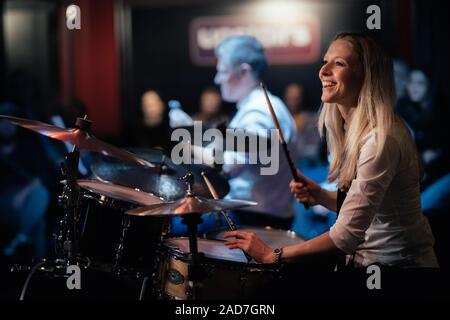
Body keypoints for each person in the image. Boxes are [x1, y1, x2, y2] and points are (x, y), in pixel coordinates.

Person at [224, 33, 439, 269]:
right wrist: (321, 195)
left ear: (366, 76)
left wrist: (271, 254)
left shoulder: (381, 139)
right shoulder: (349, 129)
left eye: (339, 63)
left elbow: (344, 236)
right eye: (325, 61)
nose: (323, 70)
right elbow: (366, 208)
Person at [211, 35, 297, 230]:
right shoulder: (269, 104)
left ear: (244, 71)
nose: (217, 79)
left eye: (222, 71)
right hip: (266, 215)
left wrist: (189, 144)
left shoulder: (256, 113)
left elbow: (227, 169)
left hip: (255, 220)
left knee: (176, 227)